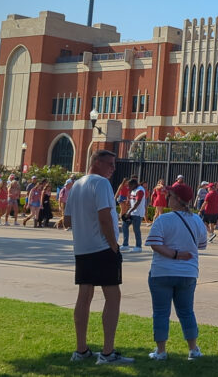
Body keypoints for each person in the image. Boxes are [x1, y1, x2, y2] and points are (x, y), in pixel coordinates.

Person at [63, 149, 133, 365]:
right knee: (113, 297)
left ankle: (81, 350)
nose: (113, 168)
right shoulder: (101, 184)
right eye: (110, 164)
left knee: (84, 296)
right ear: (97, 162)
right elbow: (104, 217)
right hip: (102, 248)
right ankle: (107, 352)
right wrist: (114, 245)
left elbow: (66, 221)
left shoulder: (77, 185)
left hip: (83, 249)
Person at [145, 181, 208, 361]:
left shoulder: (163, 220)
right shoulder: (197, 220)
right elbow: (202, 245)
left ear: (177, 200)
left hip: (162, 272)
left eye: (170, 196)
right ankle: (193, 349)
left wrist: (174, 254)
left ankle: (161, 351)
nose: (167, 198)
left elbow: (155, 244)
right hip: (188, 273)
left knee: (161, 312)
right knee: (187, 311)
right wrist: (182, 253)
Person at [121, 178, 146, 252]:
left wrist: (129, 212)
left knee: (136, 229)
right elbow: (133, 201)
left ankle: (138, 247)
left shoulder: (140, 190)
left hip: (138, 213)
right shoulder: (133, 190)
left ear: (134, 184)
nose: (129, 187)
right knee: (124, 225)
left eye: (129, 186)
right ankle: (125, 245)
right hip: (132, 212)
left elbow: (138, 202)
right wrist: (128, 204)